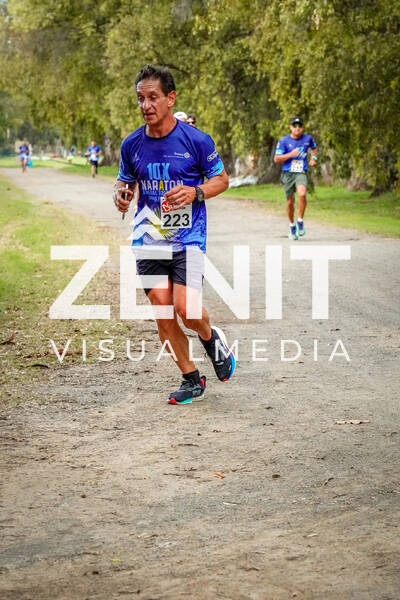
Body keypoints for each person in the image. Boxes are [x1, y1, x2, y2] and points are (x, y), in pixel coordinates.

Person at [113, 64, 235, 405]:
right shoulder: (132, 144)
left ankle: (210, 338)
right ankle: (191, 378)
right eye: (141, 99)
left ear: (171, 98)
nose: (146, 105)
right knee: (164, 313)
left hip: (188, 238)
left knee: (186, 309)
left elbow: (222, 180)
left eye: (153, 97)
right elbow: (124, 182)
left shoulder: (196, 140)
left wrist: (195, 192)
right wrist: (121, 196)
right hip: (148, 240)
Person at [274, 116, 317, 240]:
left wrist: (313, 158)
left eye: (300, 126)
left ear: (302, 127)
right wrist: (291, 154)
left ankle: (300, 221)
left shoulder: (308, 138)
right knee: (290, 202)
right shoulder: (284, 141)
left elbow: (314, 148)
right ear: (290, 127)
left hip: (300, 172)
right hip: (288, 174)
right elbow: (276, 159)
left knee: (302, 194)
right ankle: (292, 225)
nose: (297, 128)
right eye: (295, 125)